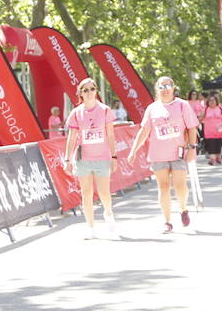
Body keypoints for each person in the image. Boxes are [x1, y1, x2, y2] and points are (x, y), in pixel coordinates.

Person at [127, 76, 199, 233]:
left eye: (168, 85)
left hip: (178, 152)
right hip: (158, 154)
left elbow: (192, 127)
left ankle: (183, 208)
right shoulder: (152, 108)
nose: (165, 89)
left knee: (180, 186)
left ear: (173, 88)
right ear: (157, 90)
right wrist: (133, 150)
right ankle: (167, 221)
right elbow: (144, 130)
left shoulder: (182, 105)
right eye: (161, 86)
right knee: (164, 187)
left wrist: (192, 148)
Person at [62, 77, 119, 238]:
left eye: (92, 89)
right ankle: (90, 228)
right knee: (86, 193)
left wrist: (114, 156)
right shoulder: (76, 113)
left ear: (96, 91)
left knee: (104, 193)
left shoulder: (105, 110)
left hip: (102, 158)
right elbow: (72, 137)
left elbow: (110, 135)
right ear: (81, 93)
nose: (89, 93)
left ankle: (108, 214)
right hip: (83, 159)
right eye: (85, 90)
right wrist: (67, 159)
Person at [201, 93, 222, 164]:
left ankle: (218, 157)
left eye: (213, 100)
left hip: (219, 132)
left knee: (218, 145)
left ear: (216, 101)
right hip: (209, 132)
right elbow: (200, 119)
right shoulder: (205, 109)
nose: (212, 102)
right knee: (211, 145)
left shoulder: (220, 109)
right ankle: (212, 159)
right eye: (210, 100)